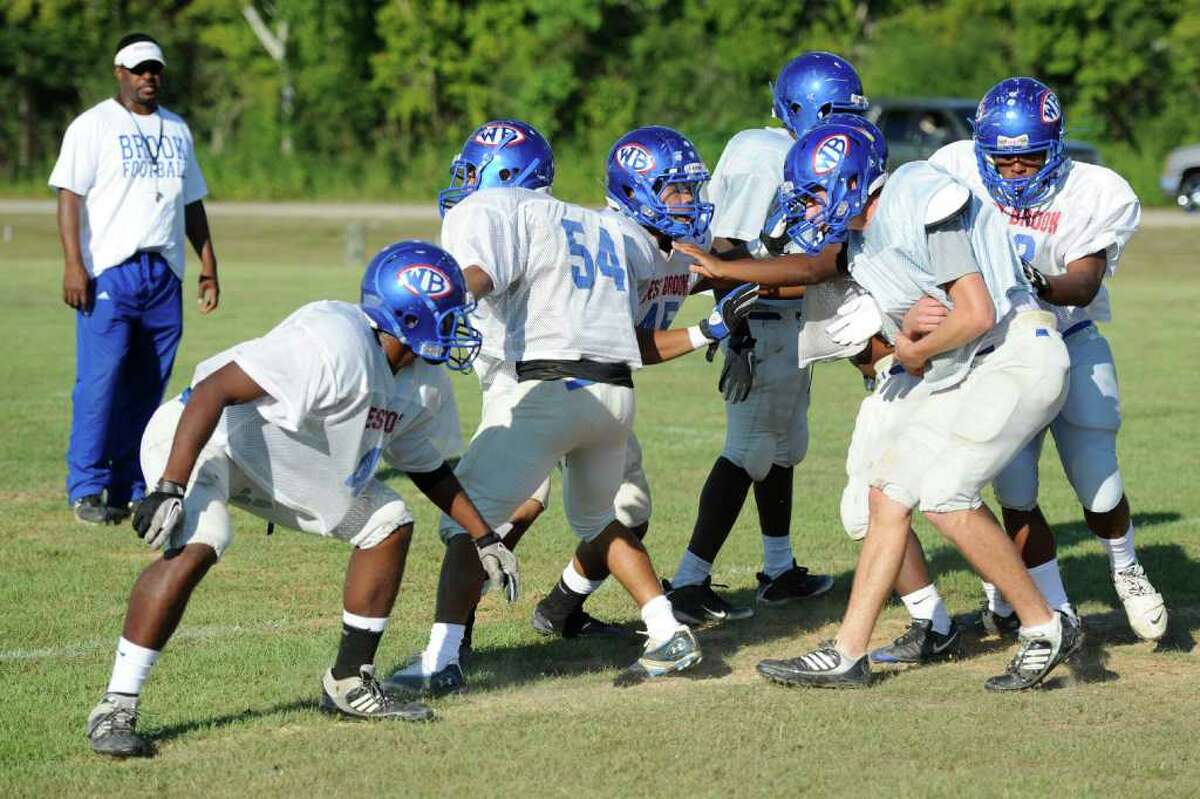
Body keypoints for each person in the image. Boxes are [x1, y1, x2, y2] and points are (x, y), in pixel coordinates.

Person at [84, 241, 518, 758]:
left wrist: (484, 536)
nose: (460, 326)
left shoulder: (425, 383)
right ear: (409, 315)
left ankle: (349, 681)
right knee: (204, 537)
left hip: (279, 457)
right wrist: (170, 486)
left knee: (388, 519)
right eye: (448, 315)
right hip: (207, 437)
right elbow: (214, 390)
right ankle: (116, 705)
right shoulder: (333, 340)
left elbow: (427, 467)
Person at [693, 120, 1082, 690]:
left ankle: (1046, 625)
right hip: (969, 364)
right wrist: (912, 335)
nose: (808, 208)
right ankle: (848, 653)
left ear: (852, 181)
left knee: (947, 498)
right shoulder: (861, 242)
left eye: (814, 194)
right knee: (886, 494)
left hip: (1016, 352)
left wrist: (913, 345)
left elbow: (975, 313)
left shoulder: (916, 192)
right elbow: (916, 324)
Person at [384, 126, 758, 694]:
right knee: (601, 520)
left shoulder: (498, 208)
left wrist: (440, 302)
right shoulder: (606, 225)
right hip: (613, 393)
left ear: (501, 176)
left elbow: (479, 276)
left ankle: (441, 658)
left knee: (467, 523)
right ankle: (666, 631)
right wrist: (711, 326)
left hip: (549, 386)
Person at [861, 76, 1166, 659]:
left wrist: (1034, 281)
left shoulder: (1094, 190)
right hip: (997, 352)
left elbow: (1084, 283)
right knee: (1016, 491)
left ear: (1056, 146)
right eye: (1003, 158)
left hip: (1069, 336)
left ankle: (1125, 566)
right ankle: (1056, 609)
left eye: (1029, 156)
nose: (1016, 168)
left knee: (1099, 486)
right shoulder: (955, 168)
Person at [663, 51, 867, 623]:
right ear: (806, 109)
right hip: (764, 315)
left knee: (783, 446)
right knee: (749, 448)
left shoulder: (812, 153)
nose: (847, 128)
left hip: (797, 316)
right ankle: (688, 582)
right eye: (838, 114)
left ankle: (779, 569)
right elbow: (728, 248)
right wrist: (737, 317)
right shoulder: (762, 152)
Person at [49, 32, 220, 525]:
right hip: (111, 270)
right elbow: (69, 195)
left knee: (148, 388)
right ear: (119, 72)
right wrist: (73, 263)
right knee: (100, 384)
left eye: (155, 69)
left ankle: (129, 485)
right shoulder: (93, 125)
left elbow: (191, 201)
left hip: (164, 272)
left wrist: (208, 263)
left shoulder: (177, 128)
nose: (149, 77)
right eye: (139, 69)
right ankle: (87, 488)